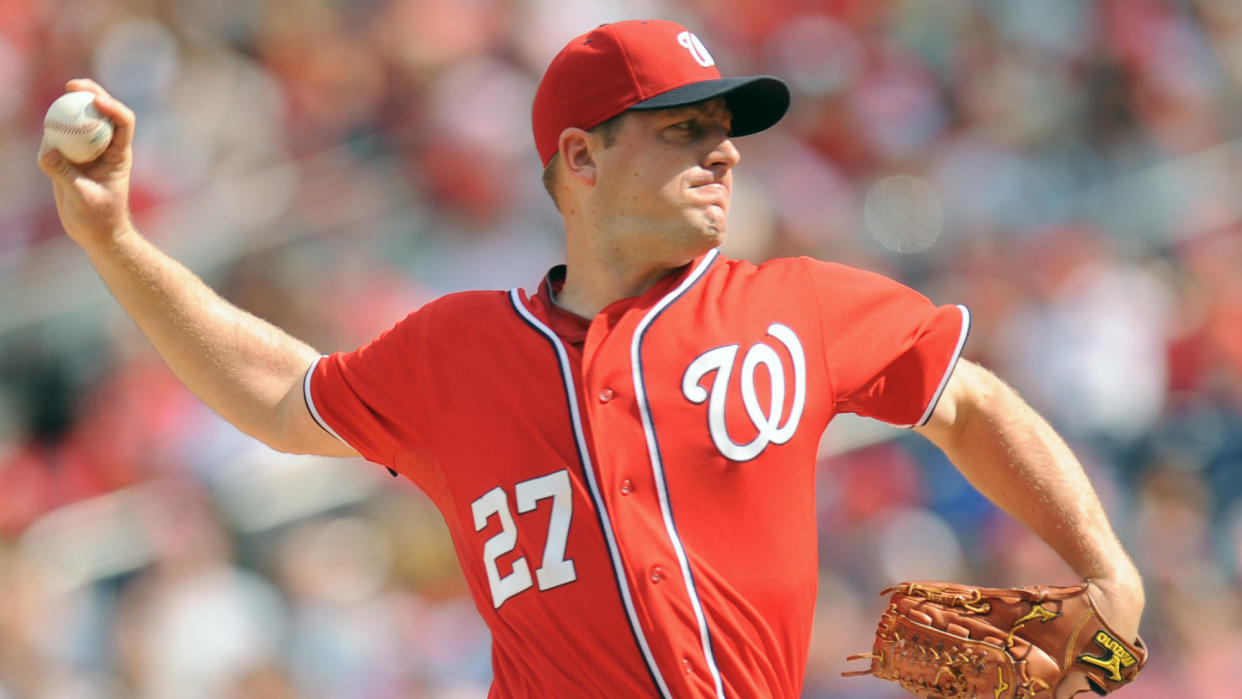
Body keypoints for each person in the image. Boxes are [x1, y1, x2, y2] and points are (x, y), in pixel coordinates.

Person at [38, 18, 1143, 699]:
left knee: (1012, 655)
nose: (724, 149)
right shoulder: (460, 348)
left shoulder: (793, 308)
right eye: (680, 127)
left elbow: (967, 400)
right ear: (579, 158)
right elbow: (282, 394)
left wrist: (1109, 584)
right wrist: (115, 241)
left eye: (725, 126)